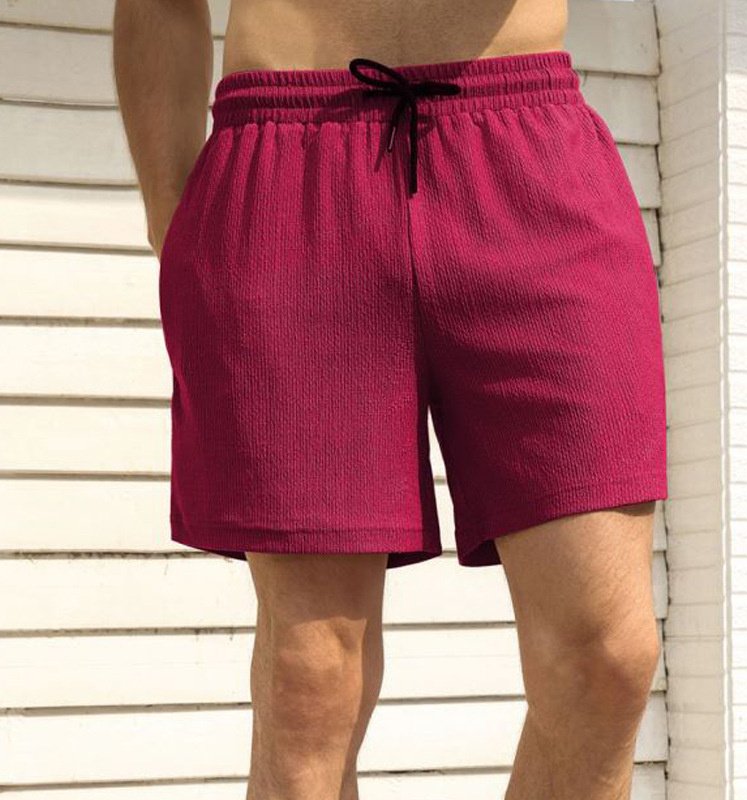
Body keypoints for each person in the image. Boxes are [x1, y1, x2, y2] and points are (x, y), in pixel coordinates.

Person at [113, 1, 668, 797]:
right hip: (288, 156)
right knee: (311, 682)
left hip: (526, 153)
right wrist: (173, 217)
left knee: (606, 659)